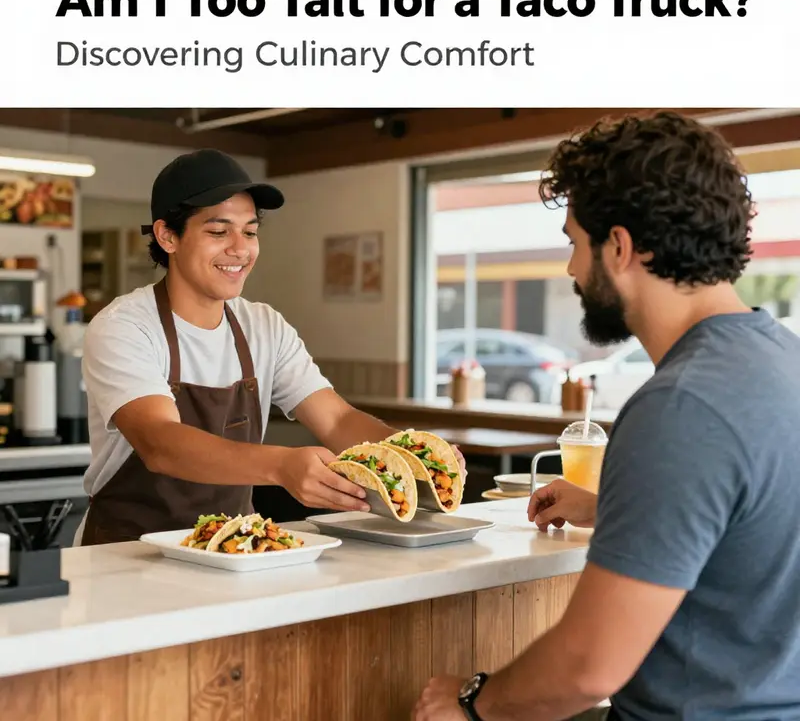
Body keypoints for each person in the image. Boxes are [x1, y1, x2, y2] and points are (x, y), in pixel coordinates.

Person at [413, 111, 800, 720]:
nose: (570, 269)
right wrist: (614, 504)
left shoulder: (683, 406)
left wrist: (471, 700)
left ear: (618, 247)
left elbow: (589, 666)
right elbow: (758, 523)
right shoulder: (783, 362)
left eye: (574, 242)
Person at [76, 148, 464, 545]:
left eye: (249, 231)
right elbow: (161, 443)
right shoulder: (124, 326)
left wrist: (412, 457)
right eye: (217, 231)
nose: (240, 248)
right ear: (167, 236)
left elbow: (335, 420)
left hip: (234, 547)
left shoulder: (263, 326)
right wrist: (280, 465)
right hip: (126, 555)